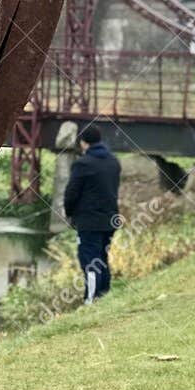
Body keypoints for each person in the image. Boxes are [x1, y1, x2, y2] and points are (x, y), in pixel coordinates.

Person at [62, 126, 120, 303]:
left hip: (89, 221)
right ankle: (104, 295)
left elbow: (71, 193)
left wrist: (69, 214)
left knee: (90, 260)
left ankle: (90, 300)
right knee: (102, 257)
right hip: (110, 219)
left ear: (83, 142)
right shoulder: (114, 161)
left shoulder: (82, 164)